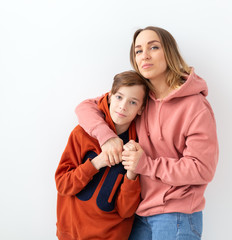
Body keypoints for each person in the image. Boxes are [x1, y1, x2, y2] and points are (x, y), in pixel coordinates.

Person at [75, 26, 219, 240]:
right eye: (138, 50)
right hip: (139, 213)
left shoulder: (195, 106)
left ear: (169, 52)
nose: (145, 55)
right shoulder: (138, 98)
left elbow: (202, 169)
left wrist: (146, 165)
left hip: (177, 216)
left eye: (154, 47)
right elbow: (85, 107)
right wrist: (107, 138)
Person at [55, 70, 150, 240]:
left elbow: (126, 210)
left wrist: (132, 173)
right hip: (71, 234)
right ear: (109, 96)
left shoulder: (137, 147)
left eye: (133, 102)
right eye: (119, 97)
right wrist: (96, 163)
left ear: (141, 109)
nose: (123, 106)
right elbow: (63, 185)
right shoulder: (82, 134)